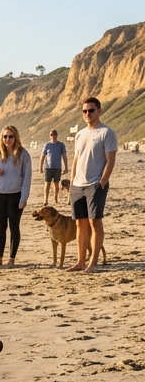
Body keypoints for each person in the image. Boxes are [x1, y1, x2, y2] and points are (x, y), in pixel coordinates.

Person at [68, 96, 117, 273]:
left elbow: (110, 161)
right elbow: (76, 159)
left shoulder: (106, 132)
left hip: (95, 184)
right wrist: (72, 182)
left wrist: (102, 182)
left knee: (95, 221)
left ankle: (93, 262)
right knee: (80, 224)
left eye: (91, 110)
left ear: (99, 111)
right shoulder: (80, 134)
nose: (87, 113)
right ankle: (80, 261)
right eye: (85, 111)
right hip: (78, 185)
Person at [0, 125, 32, 268]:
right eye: (5, 136)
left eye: (10, 136)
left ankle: (11, 259)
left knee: (14, 227)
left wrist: (24, 198)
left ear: (16, 137)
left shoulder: (23, 154)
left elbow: (27, 178)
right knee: (1, 227)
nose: (7, 139)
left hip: (16, 195)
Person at [39, 129, 68, 205]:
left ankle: (55, 199)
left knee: (56, 184)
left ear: (57, 135)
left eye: (54, 134)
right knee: (47, 183)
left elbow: (64, 156)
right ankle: (45, 200)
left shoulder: (61, 145)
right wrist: (40, 167)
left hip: (57, 167)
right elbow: (42, 156)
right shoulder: (47, 145)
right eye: (52, 135)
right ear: (50, 136)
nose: (53, 136)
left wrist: (66, 167)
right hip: (48, 167)